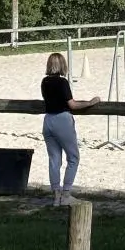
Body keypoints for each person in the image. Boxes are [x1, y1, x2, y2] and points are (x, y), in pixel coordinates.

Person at [41, 53, 100, 206]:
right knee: (73, 157)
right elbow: (72, 105)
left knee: (54, 159)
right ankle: (66, 193)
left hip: (48, 120)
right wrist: (90, 103)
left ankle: (56, 195)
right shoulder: (62, 83)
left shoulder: (44, 82)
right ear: (62, 65)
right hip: (62, 120)